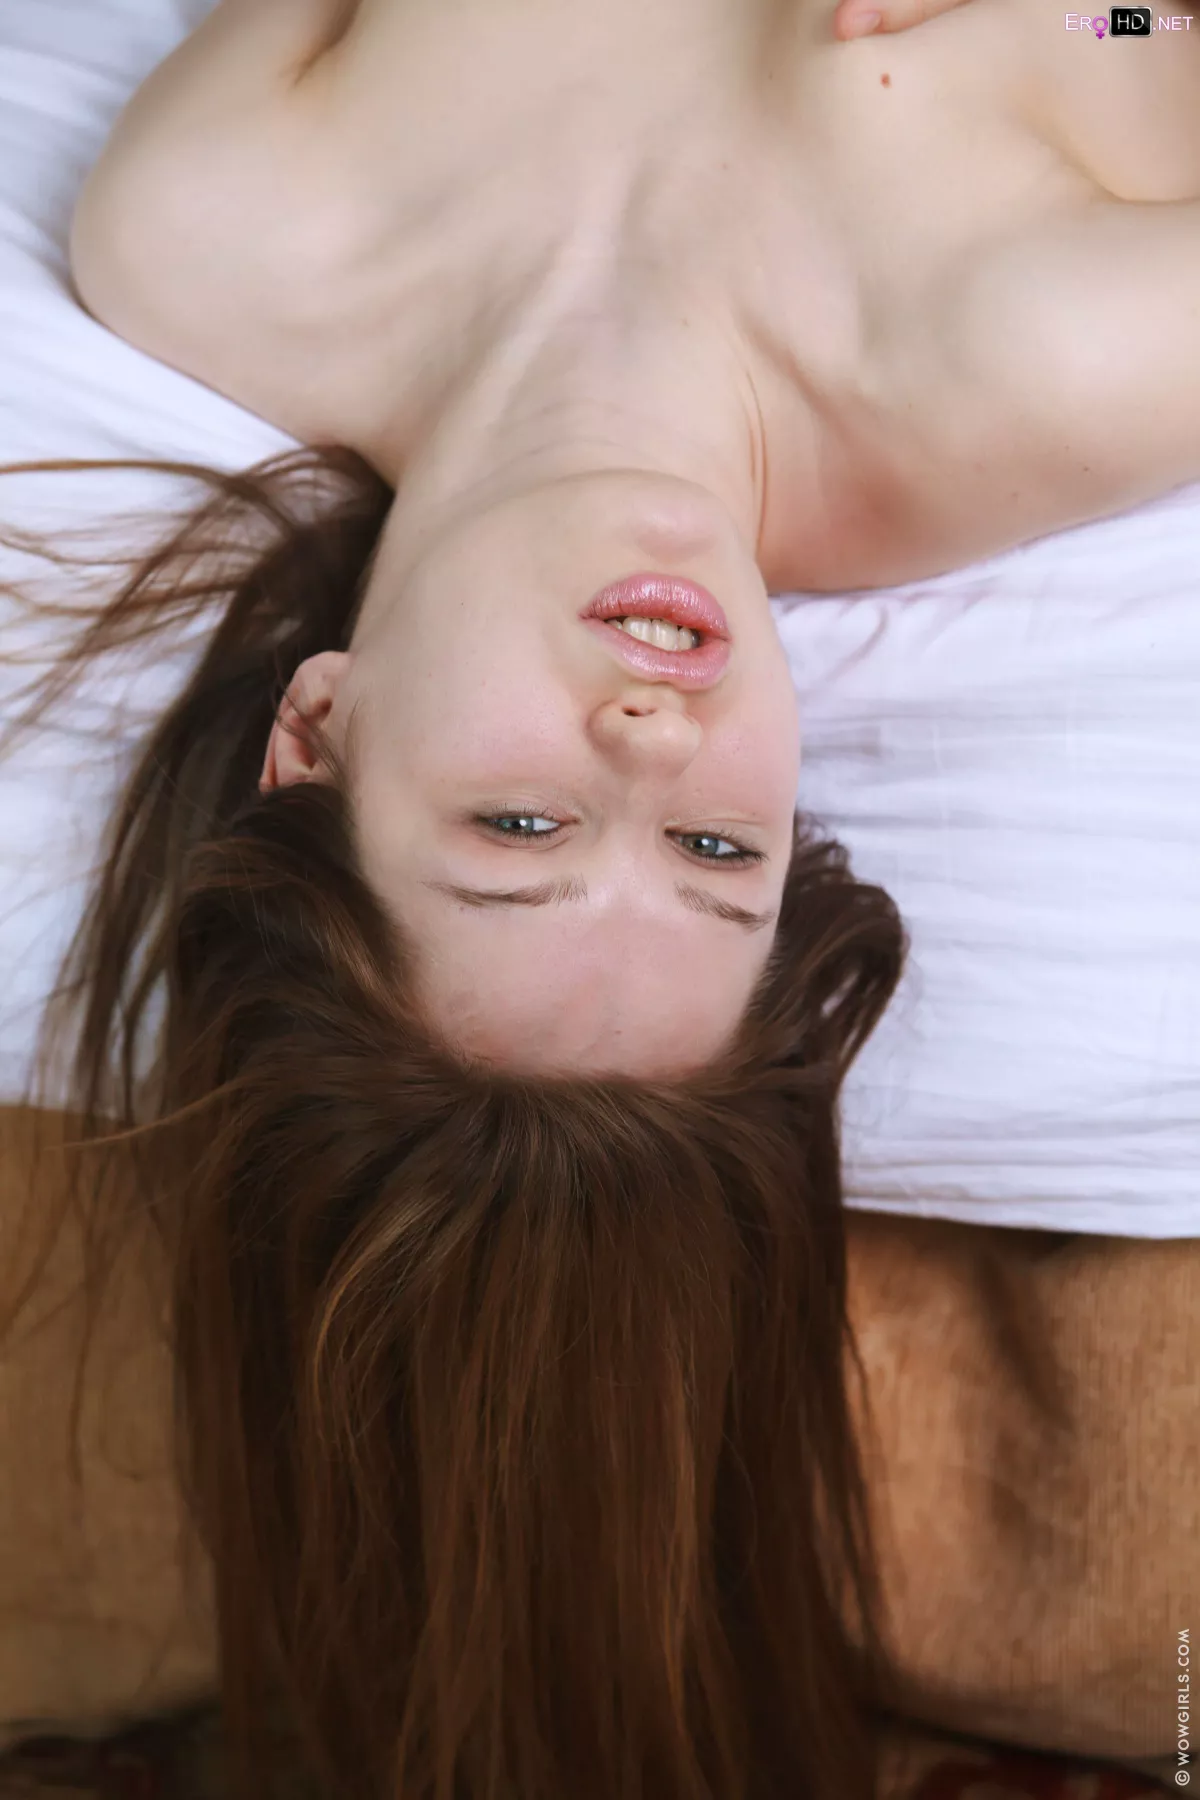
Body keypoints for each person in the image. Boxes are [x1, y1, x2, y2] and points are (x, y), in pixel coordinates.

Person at [1, 0, 1194, 1796]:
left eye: (522, 825)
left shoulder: (205, 228)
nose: (654, 743)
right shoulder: (1050, 366)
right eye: (717, 855)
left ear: (315, 735)